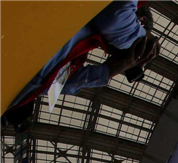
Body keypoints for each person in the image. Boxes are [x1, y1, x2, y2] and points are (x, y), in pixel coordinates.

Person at [3, 2, 160, 128]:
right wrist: (141, 37)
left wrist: (108, 71)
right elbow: (114, 17)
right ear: (140, 21)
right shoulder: (88, 15)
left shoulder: (78, 55)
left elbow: (53, 87)